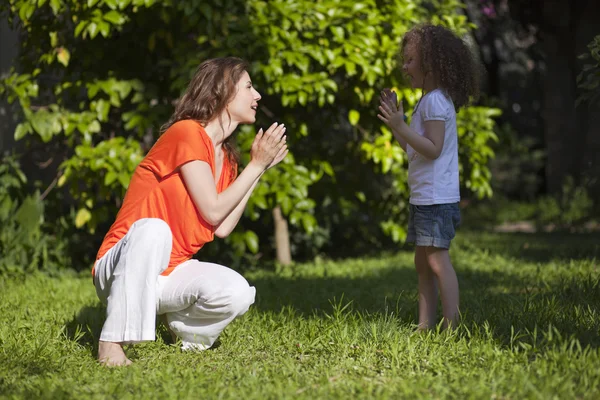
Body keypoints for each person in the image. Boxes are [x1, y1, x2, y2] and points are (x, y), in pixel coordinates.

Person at [93, 57, 288, 366]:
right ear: (223, 92)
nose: (258, 96)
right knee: (154, 229)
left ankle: (184, 332)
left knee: (237, 291)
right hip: (121, 267)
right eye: (249, 87)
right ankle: (111, 343)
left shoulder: (227, 159)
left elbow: (221, 227)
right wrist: (257, 165)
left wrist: (257, 170)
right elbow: (212, 211)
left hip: (167, 274)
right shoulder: (186, 133)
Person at [377, 24, 480, 330]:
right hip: (425, 197)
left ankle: (451, 324)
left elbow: (433, 149)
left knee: (436, 262)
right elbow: (414, 150)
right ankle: (425, 324)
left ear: (431, 64)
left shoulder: (435, 101)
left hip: (436, 198)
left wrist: (401, 125)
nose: (403, 66)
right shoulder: (427, 100)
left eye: (409, 60)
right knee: (423, 263)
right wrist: (398, 124)